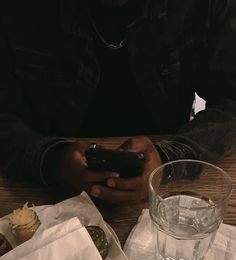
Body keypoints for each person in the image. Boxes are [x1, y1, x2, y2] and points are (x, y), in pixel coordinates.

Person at [0, 0, 236, 205]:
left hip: (170, 199)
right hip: (41, 200)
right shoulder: (17, 9)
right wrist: (52, 159)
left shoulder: (204, 5)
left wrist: (168, 160)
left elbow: (230, 102)